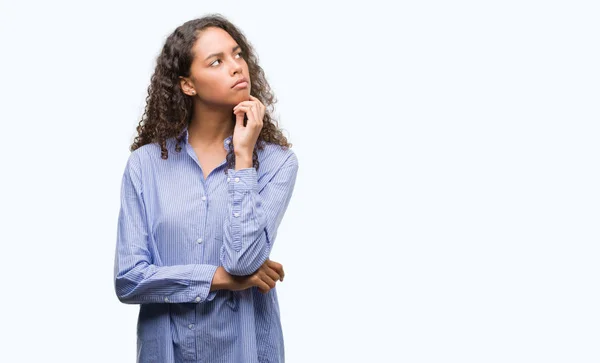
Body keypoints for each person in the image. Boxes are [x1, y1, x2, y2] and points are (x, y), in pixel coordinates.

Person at [113, 14, 299, 363]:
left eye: (238, 54)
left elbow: (243, 260)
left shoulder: (276, 164)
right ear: (188, 85)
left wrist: (243, 157)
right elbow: (129, 279)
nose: (236, 67)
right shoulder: (146, 165)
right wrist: (219, 278)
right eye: (217, 61)